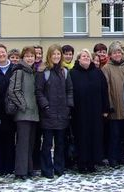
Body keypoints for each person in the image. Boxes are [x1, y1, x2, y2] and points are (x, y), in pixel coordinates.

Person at [34, 44, 73, 178]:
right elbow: (38, 92)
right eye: (53, 54)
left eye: (58, 54)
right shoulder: (43, 72)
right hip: (48, 114)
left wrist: (68, 106)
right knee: (47, 143)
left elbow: (69, 90)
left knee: (60, 143)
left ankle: (59, 167)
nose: (56, 57)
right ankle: (47, 169)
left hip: (62, 113)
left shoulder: (64, 71)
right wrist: (45, 106)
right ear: (49, 56)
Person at [71, 49, 110, 173]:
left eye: (88, 56)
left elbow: (104, 91)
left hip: (96, 111)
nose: (86, 57)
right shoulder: (73, 73)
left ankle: (93, 162)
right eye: (83, 56)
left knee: (95, 137)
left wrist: (105, 109)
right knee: (81, 137)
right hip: (79, 112)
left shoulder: (98, 73)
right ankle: (82, 163)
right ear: (78, 59)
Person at [7, 46, 40, 180]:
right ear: (23, 58)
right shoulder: (19, 71)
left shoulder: (32, 72)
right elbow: (13, 90)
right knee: (22, 143)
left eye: (32, 56)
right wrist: (23, 105)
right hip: (23, 113)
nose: (30, 58)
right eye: (27, 56)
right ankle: (20, 171)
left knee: (30, 143)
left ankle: (29, 168)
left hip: (33, 113)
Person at [100, 41, 124, 168]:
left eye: (119, 52)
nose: (117, 54)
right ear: (110, 55)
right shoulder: (106, 68)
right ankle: (112, 158)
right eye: (114, 52)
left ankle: (121, 157)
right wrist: (109, 105)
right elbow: (106, 88)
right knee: (114, 135)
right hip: (114, 107)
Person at [0, 44, 18, 176]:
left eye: (3, 52)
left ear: (6, 53)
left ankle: (10, 165)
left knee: (10, 138)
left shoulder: (15, 68)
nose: (1, 55)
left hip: (12, 109)